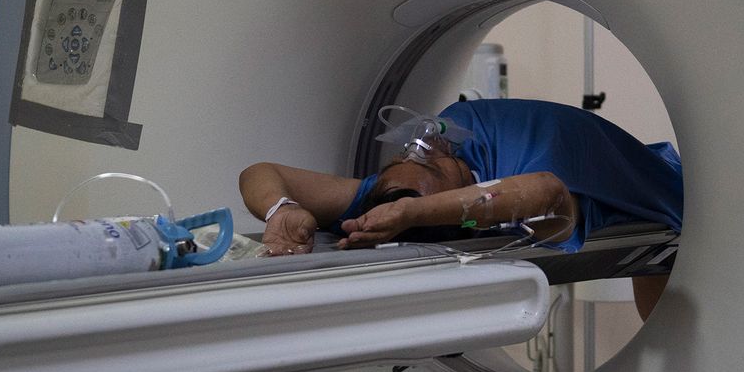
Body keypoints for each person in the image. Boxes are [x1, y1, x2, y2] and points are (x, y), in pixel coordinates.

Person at [238, 98, 684, 319]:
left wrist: (280, 206)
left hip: (662, 171)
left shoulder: (390, 191)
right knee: (668, 316)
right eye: (426, 164)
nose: (421, 147)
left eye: (411, 156)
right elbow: (547, 190)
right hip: (673, 199)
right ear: (461, 190)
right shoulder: (520, 196)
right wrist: (412, 213)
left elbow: (260, 172)